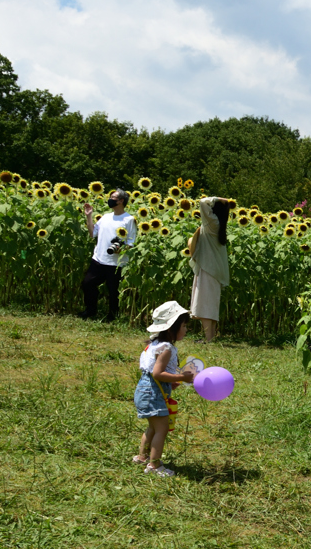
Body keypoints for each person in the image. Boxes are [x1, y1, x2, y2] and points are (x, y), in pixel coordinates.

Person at [132, 301, 196, 477]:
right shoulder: (166, 348)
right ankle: (155, 465)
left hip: (144, 389)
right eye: (183, 325)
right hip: (153, 392)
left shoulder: (153, 345)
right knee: (162, 429)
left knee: (152, 427)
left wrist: (171, 383)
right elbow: (158, 373)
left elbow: (153, 374)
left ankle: (142, 456)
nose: (185, 329)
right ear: (172, 328)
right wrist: (182, 377)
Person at [79, 188, 135, 321]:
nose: (110, 199)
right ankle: (90, 310)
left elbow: (131, 242)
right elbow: (93, 233)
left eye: (113, 197)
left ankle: (112, 316)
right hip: (98, 259)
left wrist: (120, 250)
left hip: (116, 263)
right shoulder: (105, 217)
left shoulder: (129, 219)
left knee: (113, 291)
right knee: (87, 284)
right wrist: (89, 216)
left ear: (121, 201)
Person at [189, 197, 230, 342]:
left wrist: (218, 199)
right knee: (210, 304)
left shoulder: (212, 223)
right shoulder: (219, 225)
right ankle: (210, 337)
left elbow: (202, 202)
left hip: (209, 268)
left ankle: (208, 339)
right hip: (213, 269)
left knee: (205, 304)